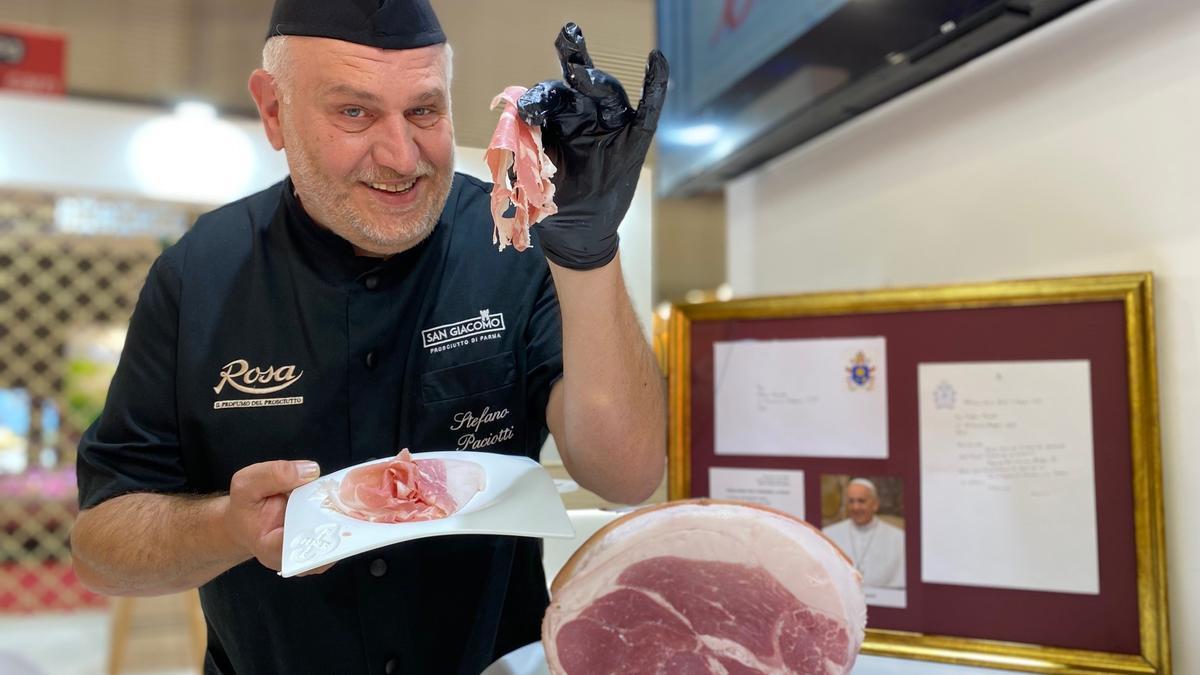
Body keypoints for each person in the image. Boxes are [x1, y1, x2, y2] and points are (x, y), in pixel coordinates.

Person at [67, 1, 669, 673]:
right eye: (354, 112)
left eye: (423, 112)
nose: (401, 156)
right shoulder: (197, 276)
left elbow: (628, 474)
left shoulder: (513, 240)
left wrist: (589, 254)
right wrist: (226, 528)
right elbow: (101, 544)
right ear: (273, 111)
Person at [822, 478, 906, 589]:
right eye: (851, 501)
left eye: (861, 501)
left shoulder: (899, 538)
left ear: (875, 505)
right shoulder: (828, 534)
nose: (855, 507)